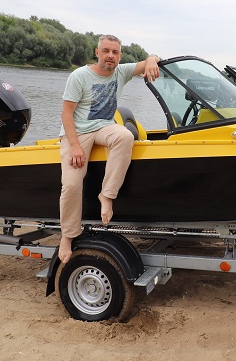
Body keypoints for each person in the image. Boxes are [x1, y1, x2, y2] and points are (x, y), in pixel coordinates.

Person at [58, 34, 160, 264]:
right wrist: (74, 146)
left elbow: (147, 62)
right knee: (72, 185)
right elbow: (66, 113)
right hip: (78, 131)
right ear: (97, 53)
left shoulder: (121, 72)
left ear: (119, 56)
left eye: (115, 52)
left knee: (125, 136)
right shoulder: (79, 76)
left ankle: (107, 195)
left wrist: (152, 58)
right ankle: (67, 236)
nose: (110, 56)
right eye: (106, 51)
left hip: (105, 127)